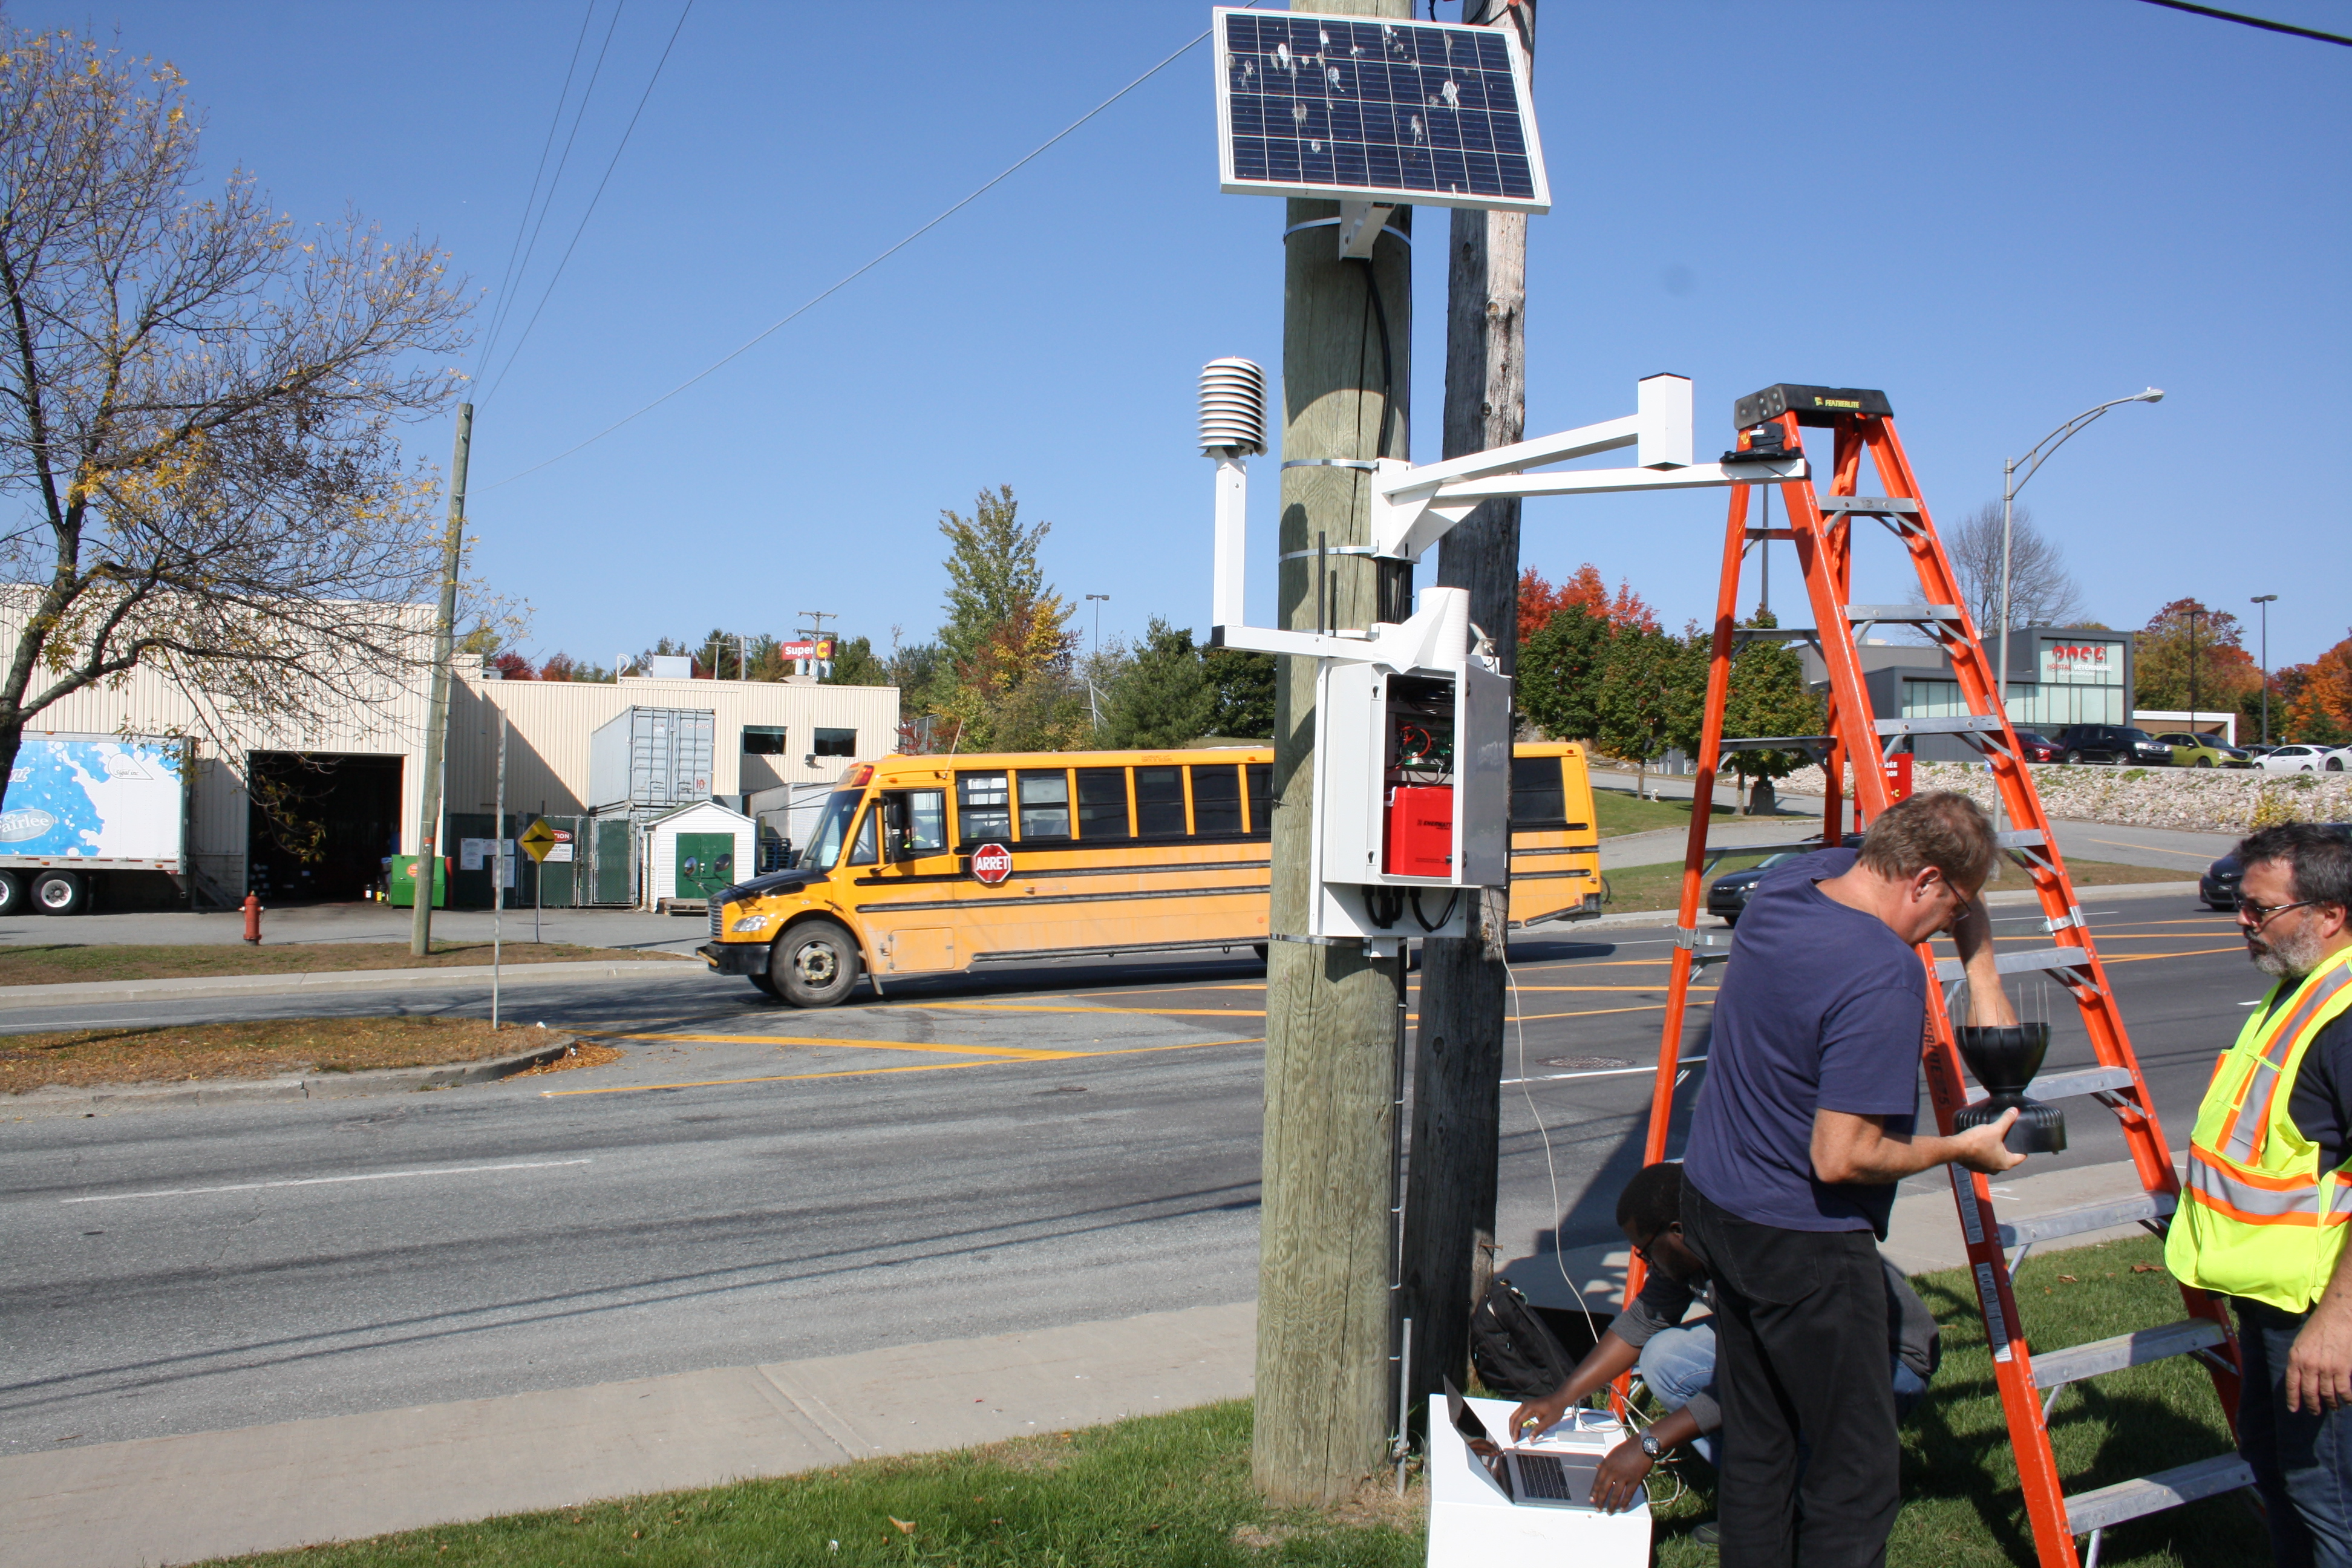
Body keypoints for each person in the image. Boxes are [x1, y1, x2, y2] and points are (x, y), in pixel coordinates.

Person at [1680, 789, 2028, 1567]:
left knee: (1762, 1439)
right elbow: (1843, 1157)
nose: (1947, 926)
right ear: (1925, 880)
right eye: (1953, 907)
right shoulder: (1883, 975)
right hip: (1802, 1240)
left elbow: (1866, 853)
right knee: (1855, 1473)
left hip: (1715, 1206)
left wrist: (1976, 948)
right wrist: (1958, 1151)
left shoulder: (1786, 892)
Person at [1507, 1161, 1939, 1526]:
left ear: (1677, 1231)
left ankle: (1814, 1496)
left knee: (1775, 1395)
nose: (1644, 1263)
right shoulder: (1694, 1245)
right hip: (1804, 1352)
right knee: (1664, 1357)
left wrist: (1649, 1443)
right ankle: (1776, 1483)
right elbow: (1641, 1322)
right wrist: (1563, 1396)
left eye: (1645, 1251)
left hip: (1885, 1361)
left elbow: (1763, 1379)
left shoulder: (1759, 1252)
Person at [2167, 822, 2352, 1567]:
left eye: (2260, 909)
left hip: (2321, 1318)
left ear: (2330, 914)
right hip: (2275, 1305)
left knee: (2330, 1505)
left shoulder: (2341, 1017)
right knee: (2287, 1487)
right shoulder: (2302, 990)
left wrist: (2338, 1325)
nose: (2242, 922)